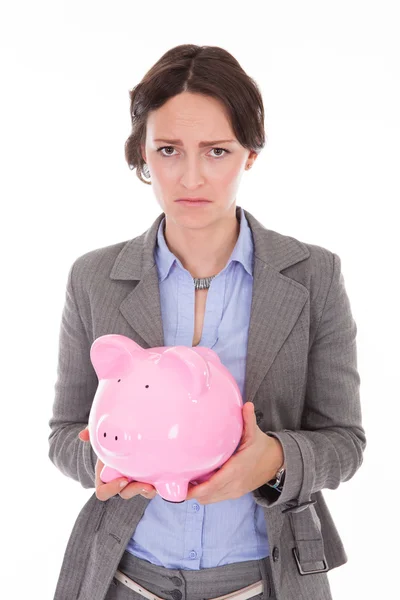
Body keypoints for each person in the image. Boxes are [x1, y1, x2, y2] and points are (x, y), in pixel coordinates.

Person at [48, 44, 367, 600]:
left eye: (216, 151)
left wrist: (274, 461)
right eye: (168, 149)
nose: (191, 176)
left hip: (265, 579)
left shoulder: (314, 275)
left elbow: (345, 441)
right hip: (124, 577)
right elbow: (63, 434)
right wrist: (104, 461)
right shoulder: (94, 277)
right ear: (142, 155)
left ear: (250, 155)